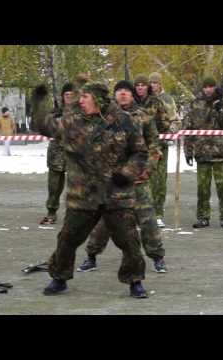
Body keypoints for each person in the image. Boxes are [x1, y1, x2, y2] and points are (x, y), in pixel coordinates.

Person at [31, 81, 149, 298]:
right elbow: (45, 126)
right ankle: (59, 277)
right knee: (67, 239)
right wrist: (38, 101)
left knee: (129, 241)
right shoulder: (72, 121)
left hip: (116, 194)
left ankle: (135, 281)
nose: (80, 100)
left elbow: (140, 152)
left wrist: (128, 173)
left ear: (98, 99)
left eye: (85, 97)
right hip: (83, 195)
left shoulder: (124, 121)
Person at [77, 80, 167, 274]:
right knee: (104, 223)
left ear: (132, 94)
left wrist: (147, 170)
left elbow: (154, 146)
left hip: (137, 179)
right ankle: (91, 256)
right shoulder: (104, 117)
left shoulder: (144, 117)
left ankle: (158, 258)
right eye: (119, 91)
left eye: (127, 91)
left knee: (147, 220)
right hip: (112, 182)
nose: (123, 94)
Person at [183, 77, 223, 229]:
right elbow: (189, 129)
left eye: (211, 86)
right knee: (202, 188)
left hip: (220, 152)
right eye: (206, 86)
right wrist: (188, 151)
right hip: (202, 152)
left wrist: (221, 110)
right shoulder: (196, 104)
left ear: (215, 87)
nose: (208, 89)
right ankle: (203, 217)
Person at [134, 73, 181, 228]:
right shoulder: (134, 101)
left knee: (159, 181)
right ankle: (138, 214)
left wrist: (171, 130)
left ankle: (158, 214)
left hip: (159, 145)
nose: (152, 85)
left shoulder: (163, 100)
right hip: (139, 148)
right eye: (150, 82)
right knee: (139, 181)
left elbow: (171, 121)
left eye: (154, 83)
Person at [39, 83, 76, 225]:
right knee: (54, 186)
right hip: (57, 153)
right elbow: (48, 129)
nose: (69, 98)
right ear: (62, 97)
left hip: (76, 152)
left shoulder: (83, 111)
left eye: (72, 95)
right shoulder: (55, 112)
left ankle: (76, 214)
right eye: (67, 95)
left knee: (77, 186)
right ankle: (51, 211)